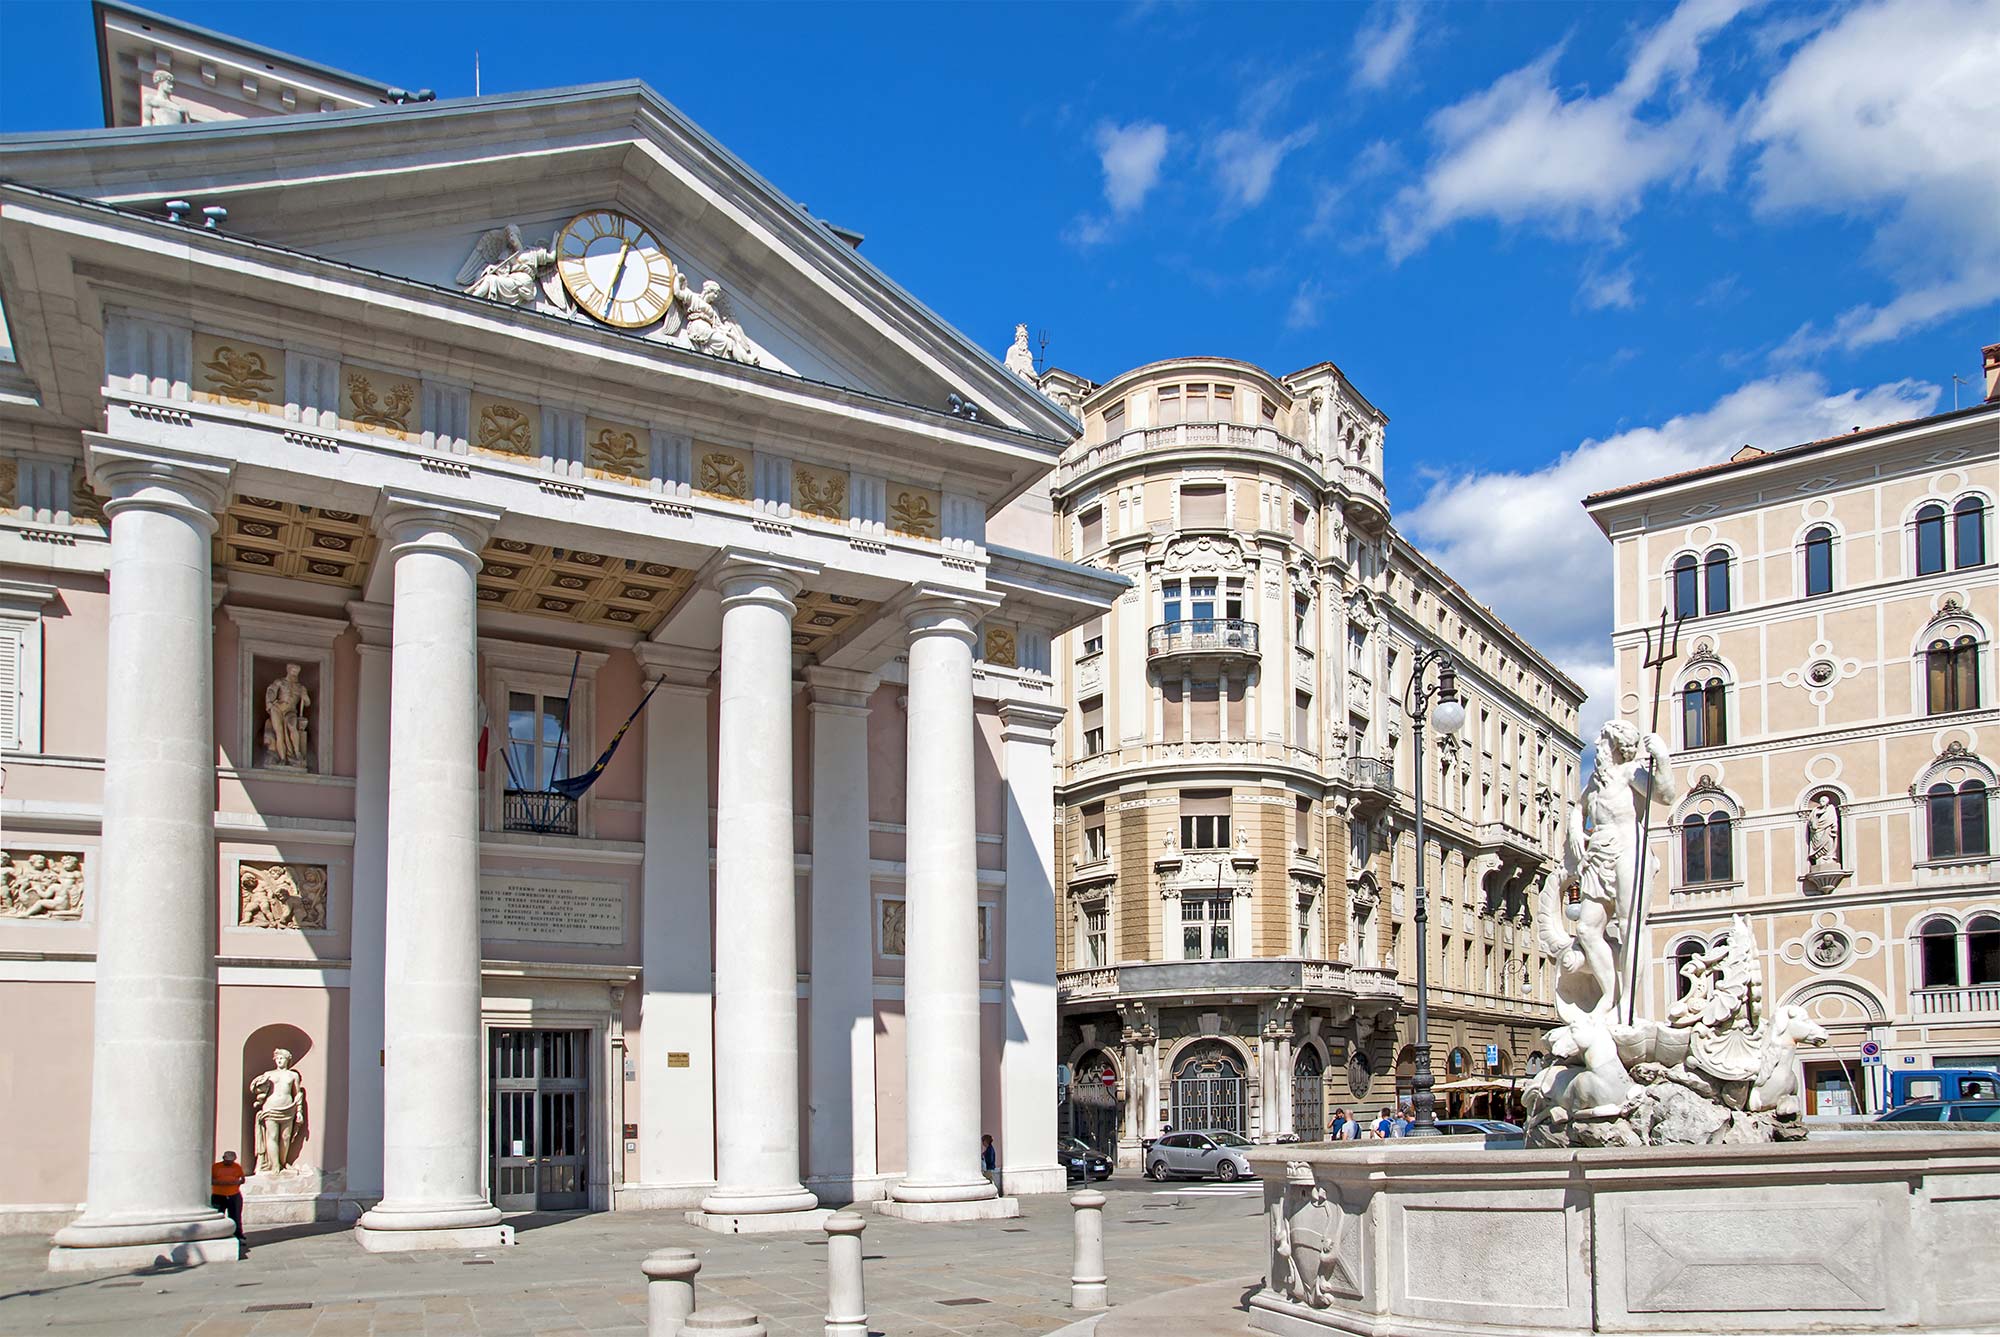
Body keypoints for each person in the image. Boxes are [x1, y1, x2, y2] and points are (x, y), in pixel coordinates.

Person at [210, 1150, 246, 1247]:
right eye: (228, 1160)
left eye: (232, 1161)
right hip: (218, 1195)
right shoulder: (216, 1167)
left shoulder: (237, 1166)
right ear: (223, 1158)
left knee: (235, 1216)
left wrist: (238, 1182)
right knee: (218, 1216)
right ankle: (216, 1235)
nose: (230, 1163)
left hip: (234, 1194)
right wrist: (221, 1183)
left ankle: (239, 1235)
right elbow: (211, 1179)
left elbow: (242, 1179)